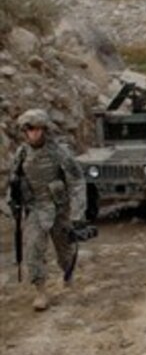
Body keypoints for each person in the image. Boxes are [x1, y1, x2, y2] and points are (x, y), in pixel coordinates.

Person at [7, 109, 87, 311]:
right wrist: (13, 203)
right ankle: (41, 291)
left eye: (37, 129)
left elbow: (77, 181)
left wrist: (78, 213)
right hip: (35, 208)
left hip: (59, 208)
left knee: (65, 250)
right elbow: (14, 180)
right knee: (33, 249)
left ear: (44, 130)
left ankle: (69, 278)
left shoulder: (59, 152)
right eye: (29, 129)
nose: (33, 133)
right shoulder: (22, 153)